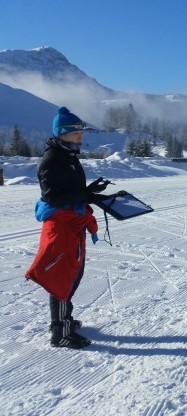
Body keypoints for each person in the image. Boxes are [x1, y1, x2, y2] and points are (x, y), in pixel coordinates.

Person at [25, 107, 109, 349]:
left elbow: (68, 191)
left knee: (73, 275)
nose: (80, 137)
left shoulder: (68, 155)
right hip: (61, 227)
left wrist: (88, 193)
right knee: (62, 278)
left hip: (72, 223)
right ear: (62, 133)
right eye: (76, 133)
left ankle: (65, 320)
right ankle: (60, 332)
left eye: (81, 132)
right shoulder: (53, 160)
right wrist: (83, 194)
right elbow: (53, 197)